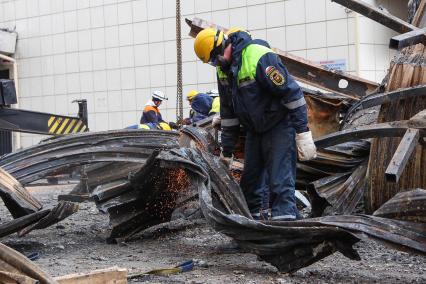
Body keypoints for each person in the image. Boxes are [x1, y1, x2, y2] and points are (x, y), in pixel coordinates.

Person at [193, 28, 317, 221]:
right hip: (254, 130)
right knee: (250, 183)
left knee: (279, 180)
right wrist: (227, 151)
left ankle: (284, 230)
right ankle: (253, 228)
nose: (215, 64)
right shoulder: (223, 71)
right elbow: (229, 113)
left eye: (214, 59)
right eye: (211, 62)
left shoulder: (259, 57)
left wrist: (302, 132)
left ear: (223, 47)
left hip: (279, 125)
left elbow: (292, 95)